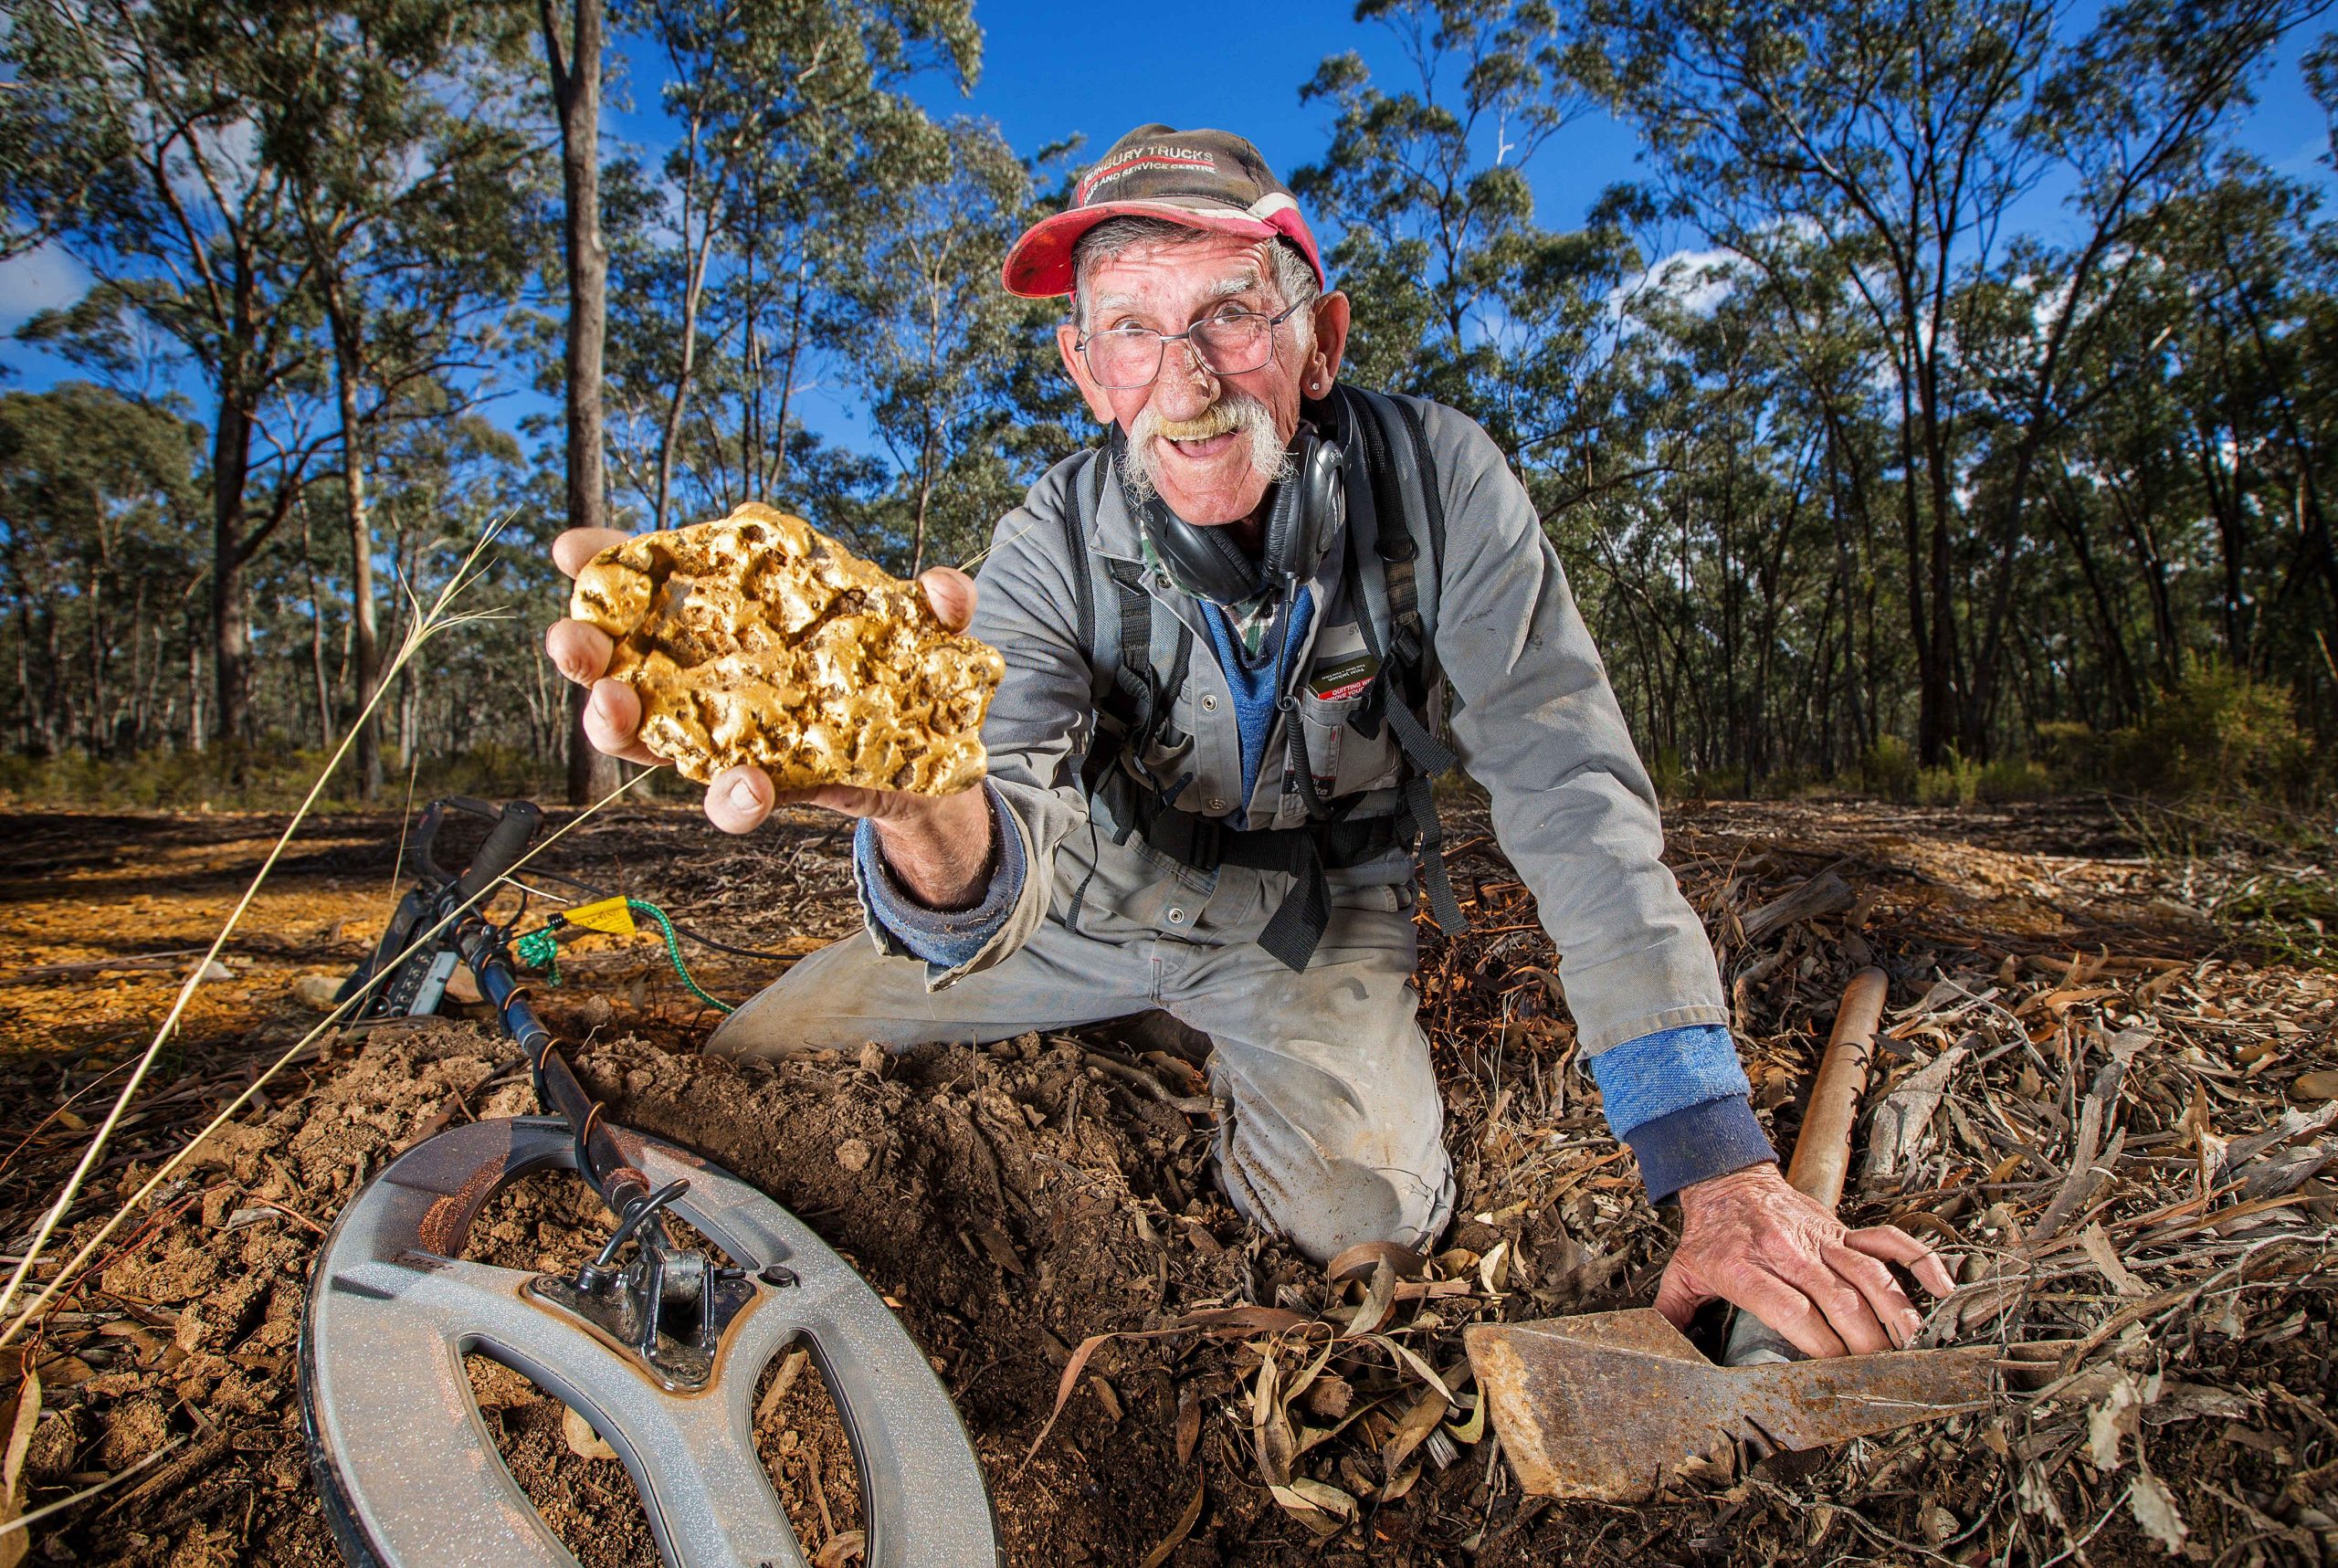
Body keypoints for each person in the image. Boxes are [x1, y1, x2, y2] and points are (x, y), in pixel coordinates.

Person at [545, 125, 1954, 1359]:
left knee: (1371, 1212)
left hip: (1311, 916)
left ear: (1318, 340)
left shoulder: (1439, 486)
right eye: (1134, 330)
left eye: (1233, 314)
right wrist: (921, 806)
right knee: (747, 1069)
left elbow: (1572, 790)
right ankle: (1127, 1009)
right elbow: (1005, 803)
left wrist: (1715, 1163)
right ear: (1086, 366)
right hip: (1080, 897)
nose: (1187, 377)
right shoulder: (1046, 545)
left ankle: (1219, 1043)